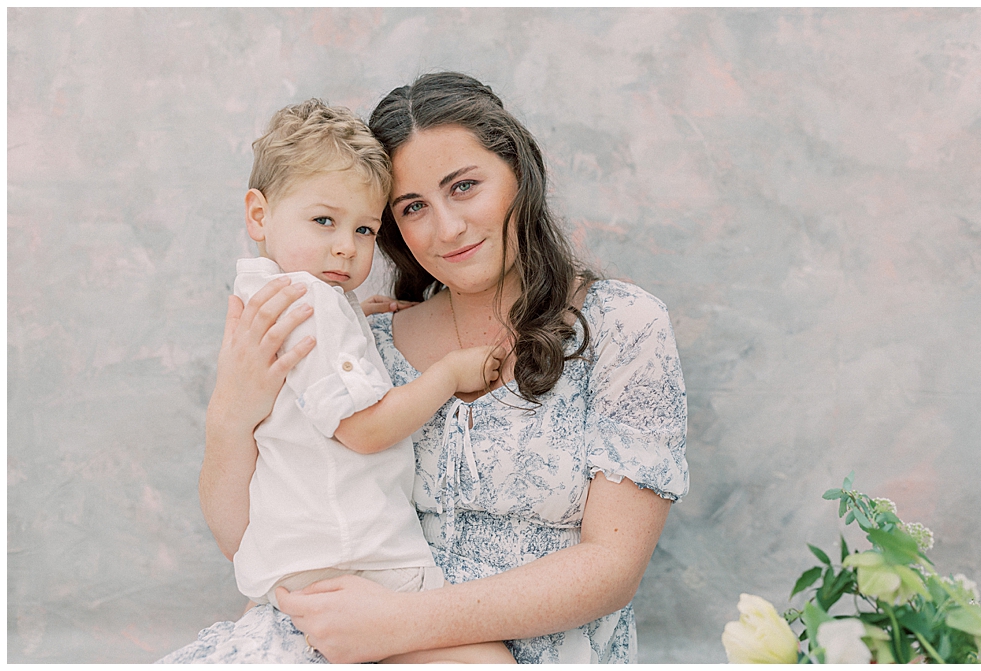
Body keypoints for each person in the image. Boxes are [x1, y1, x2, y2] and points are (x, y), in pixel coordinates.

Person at [173, 72, 689, 664]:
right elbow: (245, 538)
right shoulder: (365, 344)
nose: (447, 228)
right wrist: (232, 411)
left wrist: (403, 623)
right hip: (336, 637)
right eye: (413, 207)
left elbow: (612, 568)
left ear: (521, 175)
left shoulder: (623, 326)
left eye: (465, 186)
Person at [159, 99, 514, 664]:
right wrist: (448, 372)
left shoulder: (280, 299)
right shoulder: (313, 305)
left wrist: (356, 319)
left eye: (365, 228)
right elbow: (364, 431)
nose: (347, 246)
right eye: (324, 220)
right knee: (482, 660)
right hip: (358, 554)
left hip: (301, 559)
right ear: (259, 215)